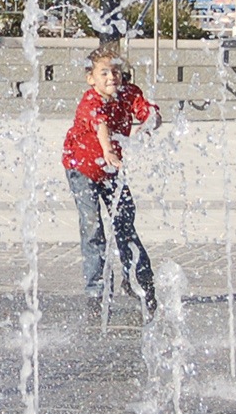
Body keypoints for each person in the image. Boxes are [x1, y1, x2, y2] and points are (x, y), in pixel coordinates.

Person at [63, 47, 162, 313]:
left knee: (125, 220)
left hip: (110, 170)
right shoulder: (91, 100)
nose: (111, 77)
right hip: (81, 168)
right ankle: (97, 291)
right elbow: (101, 125)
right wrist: (107, 149)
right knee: (92, 226)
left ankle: (139, 280)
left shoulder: (129, 94)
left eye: (116, 71)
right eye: (104, 72)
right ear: (91, 78)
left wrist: (151, 120)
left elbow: (147, 111)